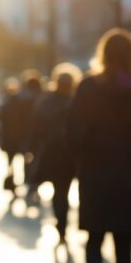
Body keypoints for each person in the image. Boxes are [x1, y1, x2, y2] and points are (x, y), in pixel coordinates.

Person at [68, 28, 131, 263]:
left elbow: (74, 134)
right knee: (123, 247)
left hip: (95, 175)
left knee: (93, 238)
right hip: (128, 178)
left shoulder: (88, 87)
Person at [28, 63, 82, 244]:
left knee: (58, 191)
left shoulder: (46, 102)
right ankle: (63, 223)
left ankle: (61, 224)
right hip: (71, 153)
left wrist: (36, 147)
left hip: (52, 153)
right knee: (64, 190)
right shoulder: (76, 101)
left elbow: (36, 129)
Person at [0, 69, 43, 201]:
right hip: (30, 137)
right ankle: (30, 185)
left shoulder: (15, 98)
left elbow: (0, 114)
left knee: (12, 162)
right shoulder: (40, 98)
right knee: (29, 161)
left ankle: (13, 185)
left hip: (12, 136)